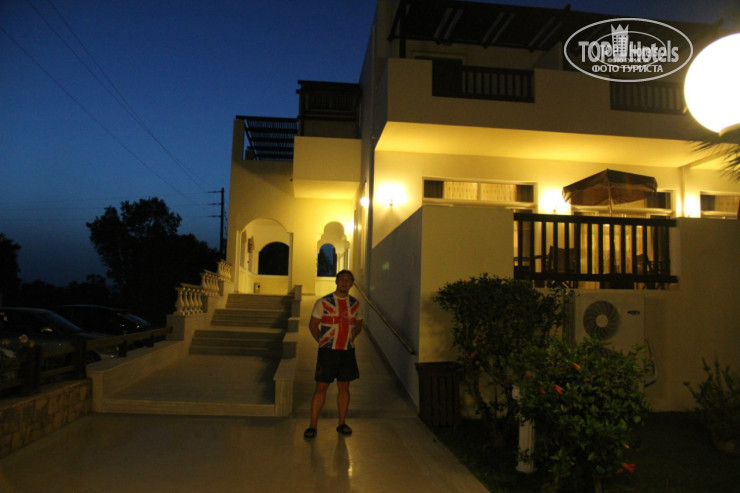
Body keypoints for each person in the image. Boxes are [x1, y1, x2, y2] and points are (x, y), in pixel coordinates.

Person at [304, 269, 363, 438]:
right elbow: (313, 325)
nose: (344, 282)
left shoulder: (355, 304)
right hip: (328, 352)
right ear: (336, 281)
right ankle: (313, 425)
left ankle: (342, 423)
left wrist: (354, 334)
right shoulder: (323, 302)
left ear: (352, 284)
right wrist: (323, 342)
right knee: (321, 388)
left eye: (348, 280)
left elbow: (359, 322)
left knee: (344, 387)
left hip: (347, 352)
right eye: (341, 279)